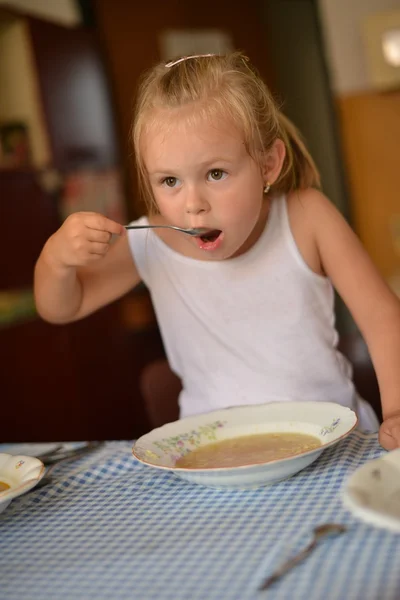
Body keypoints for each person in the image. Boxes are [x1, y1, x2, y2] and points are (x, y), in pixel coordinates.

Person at [34, 52, 400, 450]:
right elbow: (60, 308)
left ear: (268, 164)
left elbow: (383, 319)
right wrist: (57, 259)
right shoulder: (148, 243)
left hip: (334, 443)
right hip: (215, 456)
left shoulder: (307, 217)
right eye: (170, 180)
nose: (193, 204)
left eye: (215, 173)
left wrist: (396, 411)